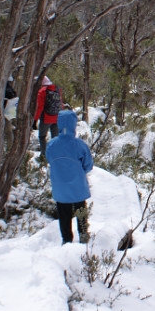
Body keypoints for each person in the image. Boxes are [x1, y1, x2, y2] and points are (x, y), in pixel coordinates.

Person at [46, 109, 93, 244]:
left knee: (64, 214)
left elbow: (49, 158)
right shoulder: (79, 145)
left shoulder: (52, 144)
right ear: (74, 124)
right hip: (78, 186)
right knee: (81, 211)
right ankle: (83, 235)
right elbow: (88, 165)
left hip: (60, 186)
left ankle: (66, 240)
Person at [33, 76, 61, 154]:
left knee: (42, 136)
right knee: (55, 138)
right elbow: (60, 104)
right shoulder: (57, 89)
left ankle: (44, 155)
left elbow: (40, 107)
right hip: (57, 117)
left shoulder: (42, 91)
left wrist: (35, 119)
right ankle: (55, 154)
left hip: (46, 118)